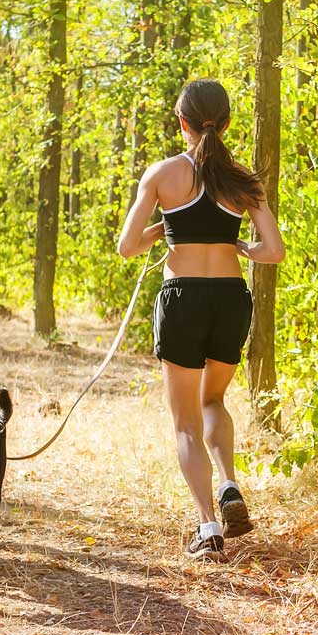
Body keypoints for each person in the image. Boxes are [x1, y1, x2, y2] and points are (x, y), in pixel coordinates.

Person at [117, 79, 285, 561]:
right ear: (227, 122)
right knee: (214, 399)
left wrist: (162, 228)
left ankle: (208, 526)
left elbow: (128, 247)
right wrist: (242, 246)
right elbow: (273, 252)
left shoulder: (162, 174)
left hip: (182, 297)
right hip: (231, 298)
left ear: (181, 122)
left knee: (186, 423)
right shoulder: (243, 180)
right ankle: (230, 483)